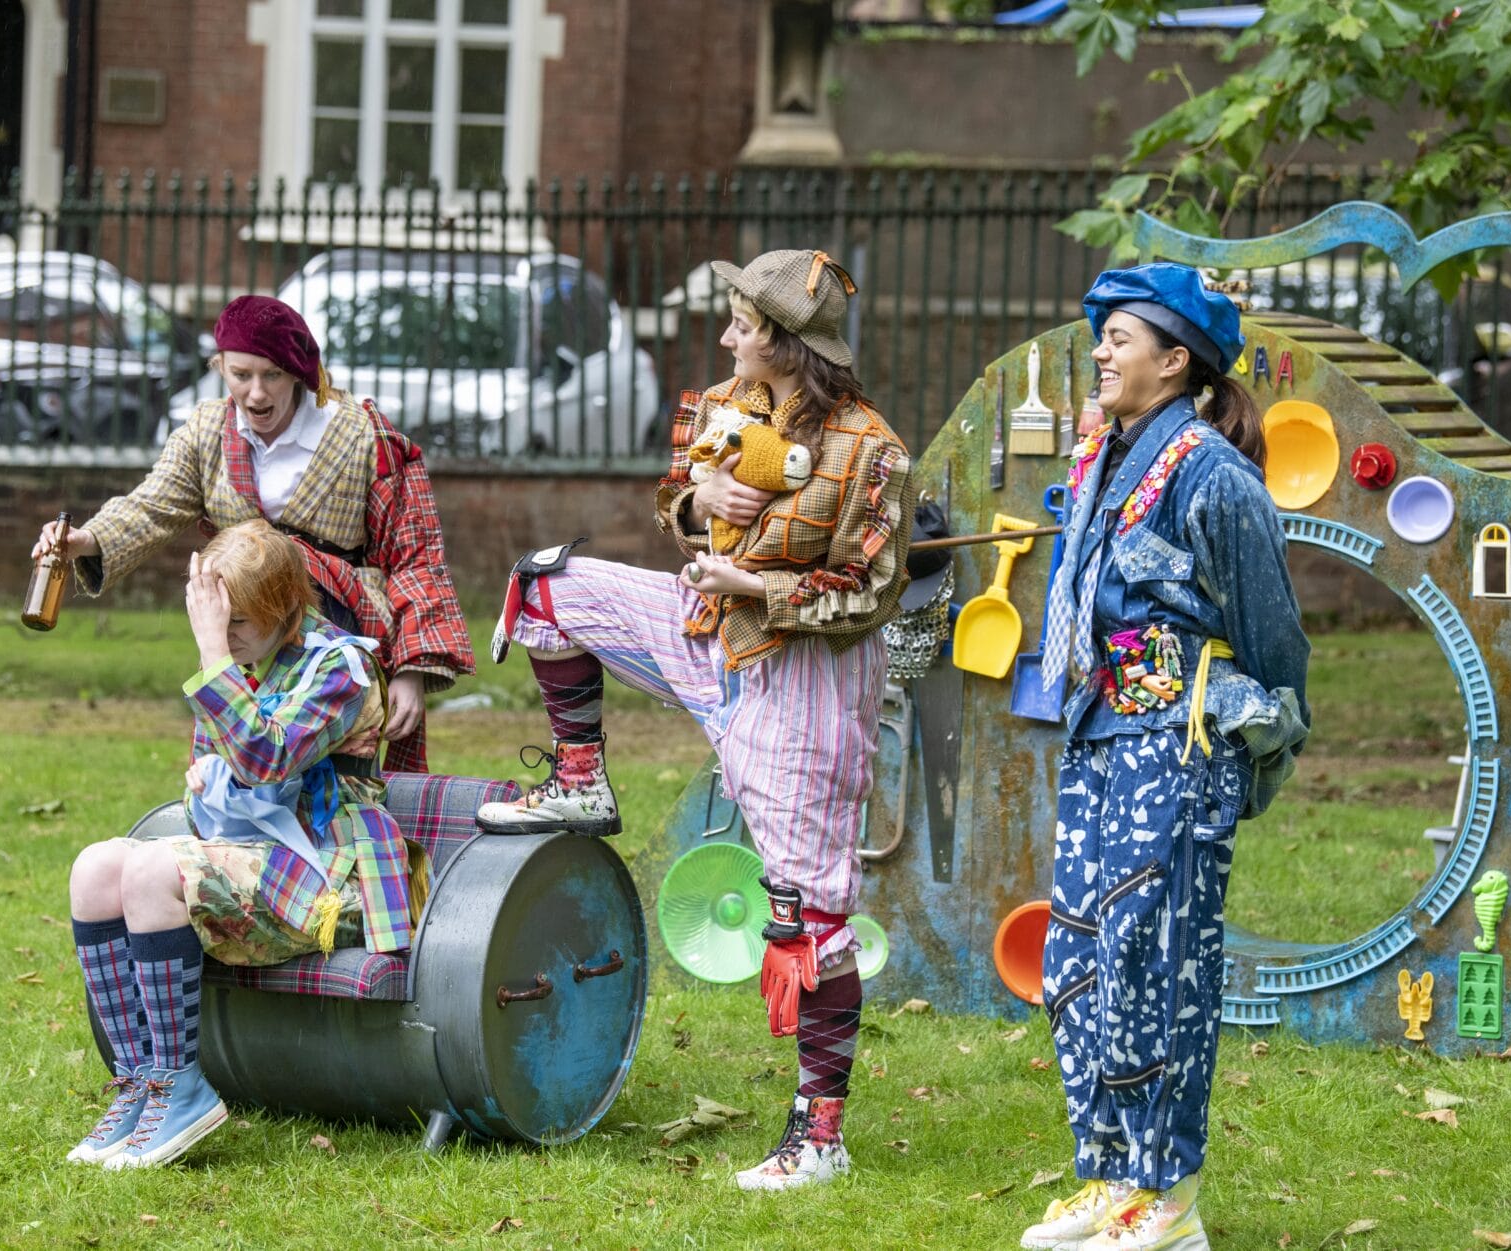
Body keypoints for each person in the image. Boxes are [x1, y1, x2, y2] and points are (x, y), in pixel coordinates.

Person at [475, 249, 914, 1191]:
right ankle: (580, 780)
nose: (725, 339)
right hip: (705, 630)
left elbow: (870, 596)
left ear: (787, 342)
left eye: (742, 326)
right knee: (547, 586)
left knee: (807, 916)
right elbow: (675, 506)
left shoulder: (872, 451)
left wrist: (755, 584)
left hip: (803, 675)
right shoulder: (724, 405)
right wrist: (695, 500)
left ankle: (820, 1135)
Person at [1020, 264, 1311, 1251]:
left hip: (1178, 748)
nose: (1099, 352)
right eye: (1098, 335)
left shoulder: (1212, 476)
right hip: (1099, 732)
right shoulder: (1105, 460)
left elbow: (1273, 638)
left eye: (1118, 338)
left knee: (1156, 959)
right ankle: (1112, 1178)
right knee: (1077, 959)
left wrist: (1256, 753)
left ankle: (1169, 1199)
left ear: (1174, 359)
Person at [65, 520, 426, 1168]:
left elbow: (263, 758)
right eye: (216, 621)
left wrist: (212, 653)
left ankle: (180, 1088)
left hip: (329, 875)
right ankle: (140, 1083)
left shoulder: (339, 667)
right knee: (94, 869)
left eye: (237, 622)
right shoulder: (246, 667)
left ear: (283, 605)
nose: (225, 636)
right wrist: (206, 784)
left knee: (151, 871)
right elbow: (214, 795)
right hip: (257, 861)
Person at [29, 295, 473, 772]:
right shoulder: (206, 432)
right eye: (241, 375)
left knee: (328, 774)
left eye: (272, 375)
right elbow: (152, 505)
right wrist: (87, 539)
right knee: (234, 760)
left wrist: (410, 669)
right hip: (239, 625)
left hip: (335, 630)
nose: (257, 393)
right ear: (219, 366)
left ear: (299, 372)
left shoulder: (362, 435)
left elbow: (415, 554)